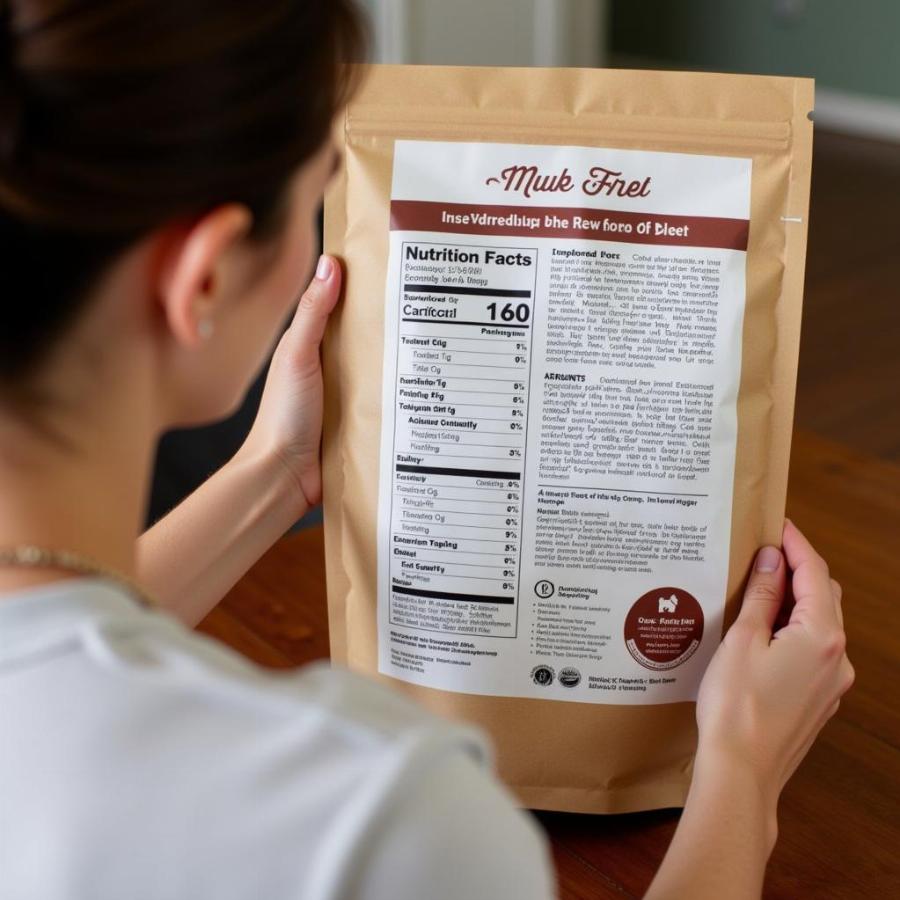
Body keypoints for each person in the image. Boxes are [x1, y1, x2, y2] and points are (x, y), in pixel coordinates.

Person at [0, 2, 854, 898]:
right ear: (204, 275)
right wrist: (743, 772)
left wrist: (279, 470)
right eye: (316, 190)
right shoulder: (376, 818)